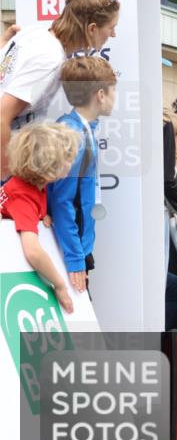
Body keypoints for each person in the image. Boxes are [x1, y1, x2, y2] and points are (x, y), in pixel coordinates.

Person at [1, 0, 118, 180]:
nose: (113, 35)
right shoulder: (49, 56)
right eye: (111, 28)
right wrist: (6, 173)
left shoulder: (35, 33)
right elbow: (1, 115)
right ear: (92, 28)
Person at [47, 57, 116, 295]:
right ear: (100, 94)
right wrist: (76, 258)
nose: (115, 96)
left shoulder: (78, 129)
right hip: (71, 252)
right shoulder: (75, 135)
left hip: (76, 246)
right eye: (113, 89)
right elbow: (61, 200)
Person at [1, 122, 79, 312]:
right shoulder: (24, 197)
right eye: (66, 159)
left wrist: (41, 215)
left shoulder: (28, 185)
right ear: (47, 165)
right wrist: (59, 285)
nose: (72, 162)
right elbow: (33, 252)